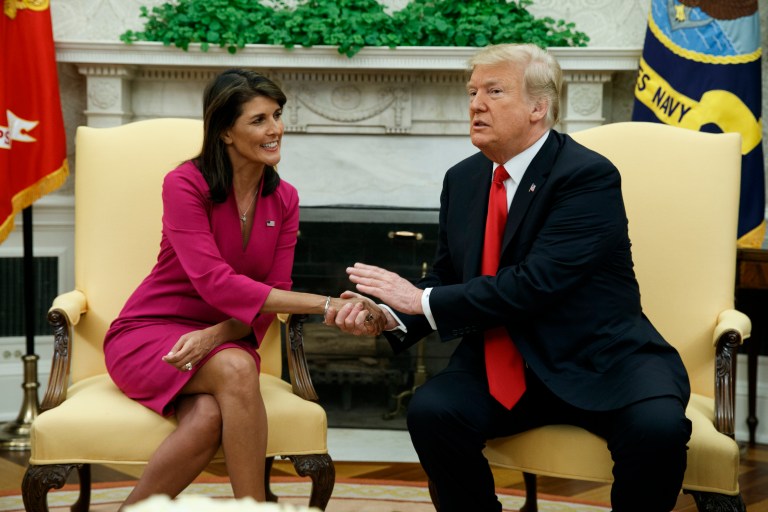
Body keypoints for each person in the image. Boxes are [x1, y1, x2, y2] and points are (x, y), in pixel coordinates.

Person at [330, 44, 692, 512]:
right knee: (433, 412)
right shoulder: (462, 179)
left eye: (494, 91)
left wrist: (418, 301)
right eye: (473, 91)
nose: (476, 104)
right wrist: (391, 315)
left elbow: (536, 283)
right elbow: (446, 274)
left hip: (600, 358)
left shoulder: (586, 176)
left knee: (657, 429)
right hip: (505, 362)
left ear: (539, 107)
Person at [102, 68, 384, 509]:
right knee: (236, 370)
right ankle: (253, 507)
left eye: (277, 115)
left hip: (225, 338)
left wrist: (214, 335)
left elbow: (272, 294)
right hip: (150, 333)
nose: (275, 130)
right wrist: (328, 303)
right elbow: (215, 282)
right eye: (258, 120)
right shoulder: (185, 184)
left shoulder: (285, 197)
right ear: (226, 132)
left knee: (212, 411)